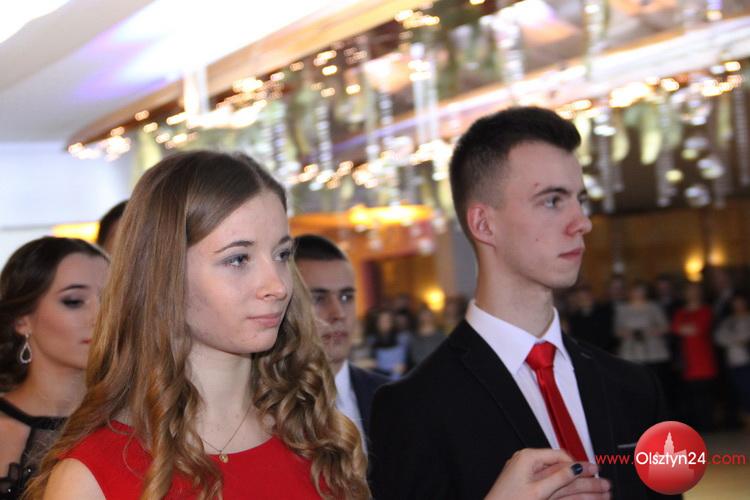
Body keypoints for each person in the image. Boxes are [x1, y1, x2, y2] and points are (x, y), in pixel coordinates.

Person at [370, 107, 674, 499]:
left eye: (580, 200)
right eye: (552, 201)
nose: (582, 222)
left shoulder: (634, 387)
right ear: (484, 224)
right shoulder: (414, 407)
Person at [25, 151, 368, 499]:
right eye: (238, 259)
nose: (277, 285)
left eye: (282, 255)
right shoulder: (93, 474)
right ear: (164, 273)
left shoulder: (320, 439)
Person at [0, 237, 109, 499]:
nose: (100, 316)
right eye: (74, 301)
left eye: (110, 299)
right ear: (22, 320)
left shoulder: (140, 422)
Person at [293, 234, 389, 450]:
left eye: (346, 297)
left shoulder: (392, 399)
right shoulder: (260, 406)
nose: (338, 313)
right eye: (318, 298)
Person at [672, 283, 717, 431]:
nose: (692, 294)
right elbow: (675, 327)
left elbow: (699, 328)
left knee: (706, 394)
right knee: (691, 395)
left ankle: (708, 424)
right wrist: (686, 328)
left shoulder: (705, 310)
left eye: (695, 291)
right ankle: (697, 425)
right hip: (687, 360)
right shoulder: (680, 312)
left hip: (703, 358)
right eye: (689, 291)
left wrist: (684, 328)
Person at [715, 293, 750, 421]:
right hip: (734, 361)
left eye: (740, 302)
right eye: (735, 303)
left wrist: (738, 340)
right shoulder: (728, 321)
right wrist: (736, 340)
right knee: (741, 390)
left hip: (746, 359)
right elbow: (719, 337)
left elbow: (745, 337)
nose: (738, 305)